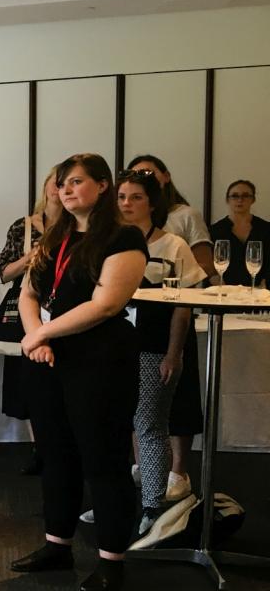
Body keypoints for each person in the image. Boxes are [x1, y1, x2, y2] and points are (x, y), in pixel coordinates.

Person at [10, 153, 147, 591]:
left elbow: (107, 303)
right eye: (62, 184)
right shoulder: (56, 235)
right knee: (56, 454)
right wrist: (38, 338)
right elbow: (29, 292)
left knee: (103, 459)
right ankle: (57, 545)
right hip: (50, 359)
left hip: (100, 362)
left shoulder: (123, 237)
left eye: (77, 182)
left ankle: (112, 560)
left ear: (103, 186)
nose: (67, 190)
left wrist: (42, 333)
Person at [116, 169, 206, 537]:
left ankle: (153, 507)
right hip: (112, 349)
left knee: (150, 426)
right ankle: (119, 500)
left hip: (153, 349)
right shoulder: (110, 243)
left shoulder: (172, 246)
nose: (127, 204)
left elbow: (183, 307)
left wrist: (174, 353)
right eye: (121, 197)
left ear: (153, 202)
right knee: (115, 427)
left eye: (135, 197)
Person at [0, 168, 63, 475]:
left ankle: (59, 444)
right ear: (46, 186)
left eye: (68, 182)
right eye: (56, 181)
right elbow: (3, 274)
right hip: (27, 313)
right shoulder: (22, 226)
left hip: (64, 312)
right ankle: (40, 446)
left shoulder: (80, 227)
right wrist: (32, 257)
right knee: (28, 384)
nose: (59, 188)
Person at [211, 180, 269, 287]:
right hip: (224, 291)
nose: (240, 200)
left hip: (260, 292)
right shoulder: (215, 230)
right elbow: (210, 266)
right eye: (234, 196)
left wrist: (263, 286)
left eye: (245, 196)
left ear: (253, 200)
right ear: (227, 200)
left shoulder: (266, 229)